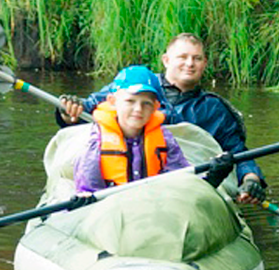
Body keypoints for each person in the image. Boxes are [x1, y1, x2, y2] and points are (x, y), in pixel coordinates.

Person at [59, 33, 268, 204]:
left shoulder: (215, 109)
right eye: (183, 57)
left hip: (187, 171)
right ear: (166, 60)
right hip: (131, 171)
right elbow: (85, 109)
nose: (190, 64)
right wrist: (69, 111)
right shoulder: (134, 85)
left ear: (204, 63)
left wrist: (251, 178)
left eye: (196, 58)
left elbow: (238, 152)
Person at [73, 65, 190, 194]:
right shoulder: (95, 140)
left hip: (152, 200)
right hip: (111, 204)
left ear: (156, 107)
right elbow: (88, 187)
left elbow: (180, 175)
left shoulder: (165, 138)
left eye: (146, 103)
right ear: (112, 101)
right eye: (130, 101)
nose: (138, 109)